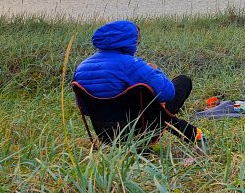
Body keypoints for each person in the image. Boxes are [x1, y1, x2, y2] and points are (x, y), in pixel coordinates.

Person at [72, 20, 203, 146]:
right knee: (183, 82)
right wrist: (155, 71)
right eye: (136, 40)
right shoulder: (131, 65)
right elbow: (168, 94)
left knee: (145, 99)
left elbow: (84, 109)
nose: (137, 44)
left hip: (105, 135)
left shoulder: (81, 68)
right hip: (140, 132)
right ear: (127, 41)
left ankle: (192, 133)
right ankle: (194, 134)